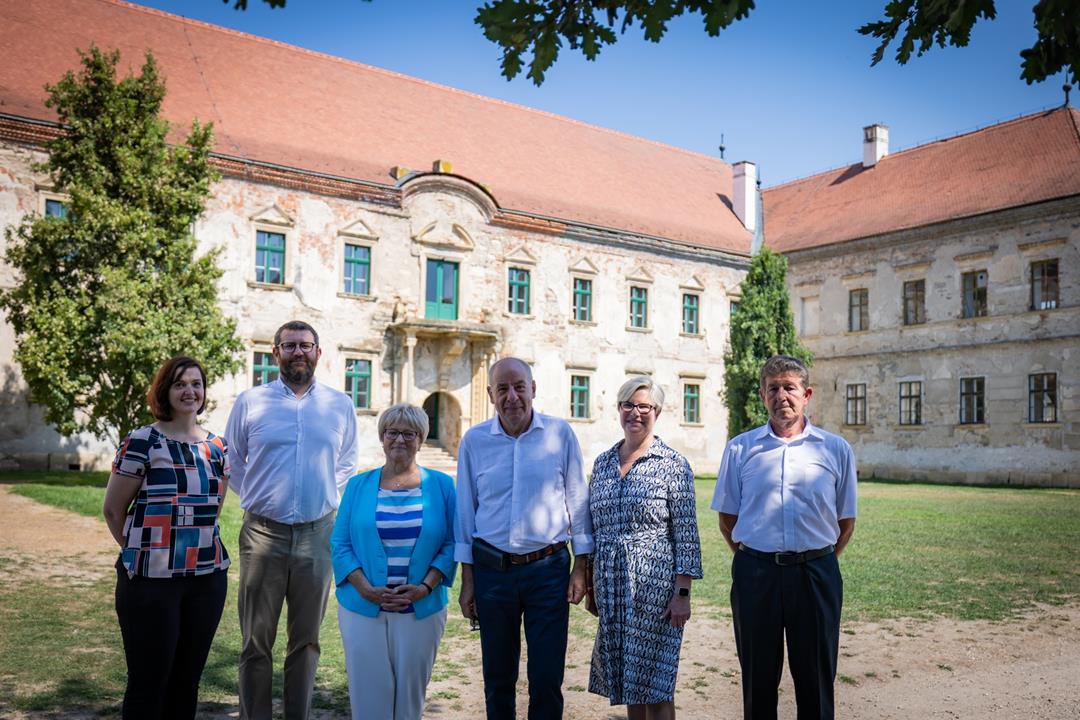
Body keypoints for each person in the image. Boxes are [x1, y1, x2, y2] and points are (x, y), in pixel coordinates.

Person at [225, 320, 359, 720]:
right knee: (255, 642)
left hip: (318, 535)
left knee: (307, 641)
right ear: (275, 353)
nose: (298, 352)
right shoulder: (250, 402)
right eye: (289, 346)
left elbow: (347, 461)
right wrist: (259, 496)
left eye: (306, 345)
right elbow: (233, 460)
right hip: (262, 534)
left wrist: (326, 498)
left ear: (319, 353)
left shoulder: (339, 404)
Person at [711, 355, 857, 720]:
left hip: (815, 574)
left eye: (789, 387)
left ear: (806, 394)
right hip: (756, 574)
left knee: (817, 678)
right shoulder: (741, 448)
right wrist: (757, 557)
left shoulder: (834, 449)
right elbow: (727, 519)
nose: (782, 396)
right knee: (757, 679)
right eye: (773, 388)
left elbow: (846, 521)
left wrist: (813, 559)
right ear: (762, 395)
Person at [454, 356, 594, 720]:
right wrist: (468, 581)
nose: (512, 396)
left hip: (548, 571)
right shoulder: (474, 442)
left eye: (519, 387)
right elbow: (465, 513)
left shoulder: (559, 434)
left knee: (547, 677)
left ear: (534, 389)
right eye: (502, 389)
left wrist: (581, 568)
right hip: (492, 573)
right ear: (490, 394)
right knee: (498, 678)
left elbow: (578, 501)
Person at [102, 356, 230, 720]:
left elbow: (212, 510)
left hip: (207, 579)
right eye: (179, 384)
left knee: (186, 682)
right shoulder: (142, 441)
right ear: (165, 391)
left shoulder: (217, 446)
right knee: (148, 683)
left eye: (196, 384)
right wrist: (141, 554)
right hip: (150, 582)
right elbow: (113, 510)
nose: (189, 391)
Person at [331, 403, 457, 720]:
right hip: (363, 608)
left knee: (409, 701)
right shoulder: (358, 485)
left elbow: (452, 542)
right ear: (382, 437)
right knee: (368, 698)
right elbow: (340, 543)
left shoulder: (442, 486)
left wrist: (426, 587)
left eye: (409, 433)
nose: (399, 439)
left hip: (420, 609)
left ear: (421, 438)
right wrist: (365, 588)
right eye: (392, 432)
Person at [588, 376, 703, 720]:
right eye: (628, 405)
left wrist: (682, 592)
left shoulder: (673, 464)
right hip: (612, 588)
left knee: (657, 686)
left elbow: (686, 533)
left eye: (644, 406)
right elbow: (595, 528)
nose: (635, 413)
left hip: (656, 591)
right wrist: (593, 586)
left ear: (658, 412)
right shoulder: (603, 463)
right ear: (619, 409)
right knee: (628, 685)